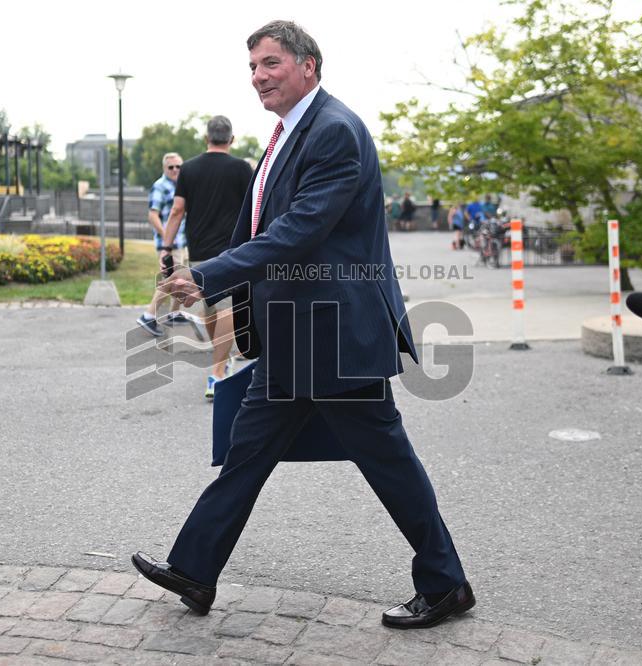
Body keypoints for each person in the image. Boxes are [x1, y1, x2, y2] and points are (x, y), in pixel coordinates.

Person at [133, 19, 474, 631]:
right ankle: (194, 569)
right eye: (253, 68)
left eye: (270, 64)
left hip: (337, 334)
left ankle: (446, 585)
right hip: (296, 334)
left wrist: (211, 274)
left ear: (307, 66)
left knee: (388, 461)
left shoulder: (334, 131)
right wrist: (215, 281)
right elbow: (259, 225)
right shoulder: (287, 134)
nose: (258, 77)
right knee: (245, 454)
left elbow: (299, 232)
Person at [160, 116, 254, 399]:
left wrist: (165, 248)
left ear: (206, 138)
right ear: (231, 139)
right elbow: (254, 208)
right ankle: (218, 369)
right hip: (233, 252)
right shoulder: (241, 169)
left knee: (214, 309)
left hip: (200, 252)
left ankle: (219, 366)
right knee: (222, 311)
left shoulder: (189, 169)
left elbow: (177, 211)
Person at [137, 153, 189, 336]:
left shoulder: (180, 185)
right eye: (171, 167)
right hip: (170, 243)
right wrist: (168, 238)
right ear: (164, 168)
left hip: (181, 241)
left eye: (178, 167)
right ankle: (148, 316)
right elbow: (152, 215)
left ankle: (174, 313)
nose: (175, 170)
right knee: (170, 280)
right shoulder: (160, 186)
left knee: (181, 278)